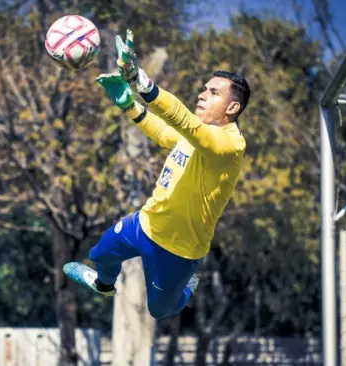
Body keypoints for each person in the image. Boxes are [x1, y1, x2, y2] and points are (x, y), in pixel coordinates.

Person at [63, 29, 250, 320]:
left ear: (233, 107)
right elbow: (165, 133)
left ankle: (186, 288)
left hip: (178, 249)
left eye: (214, 93)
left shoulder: (229, 145)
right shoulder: (199, 133)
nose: (202, 94)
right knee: (100, 255)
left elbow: (185, 122)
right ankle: (104, 286)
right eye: (204, 89)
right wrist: (128, 104)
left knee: (159, 310)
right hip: (145, 223)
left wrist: (142, 82)